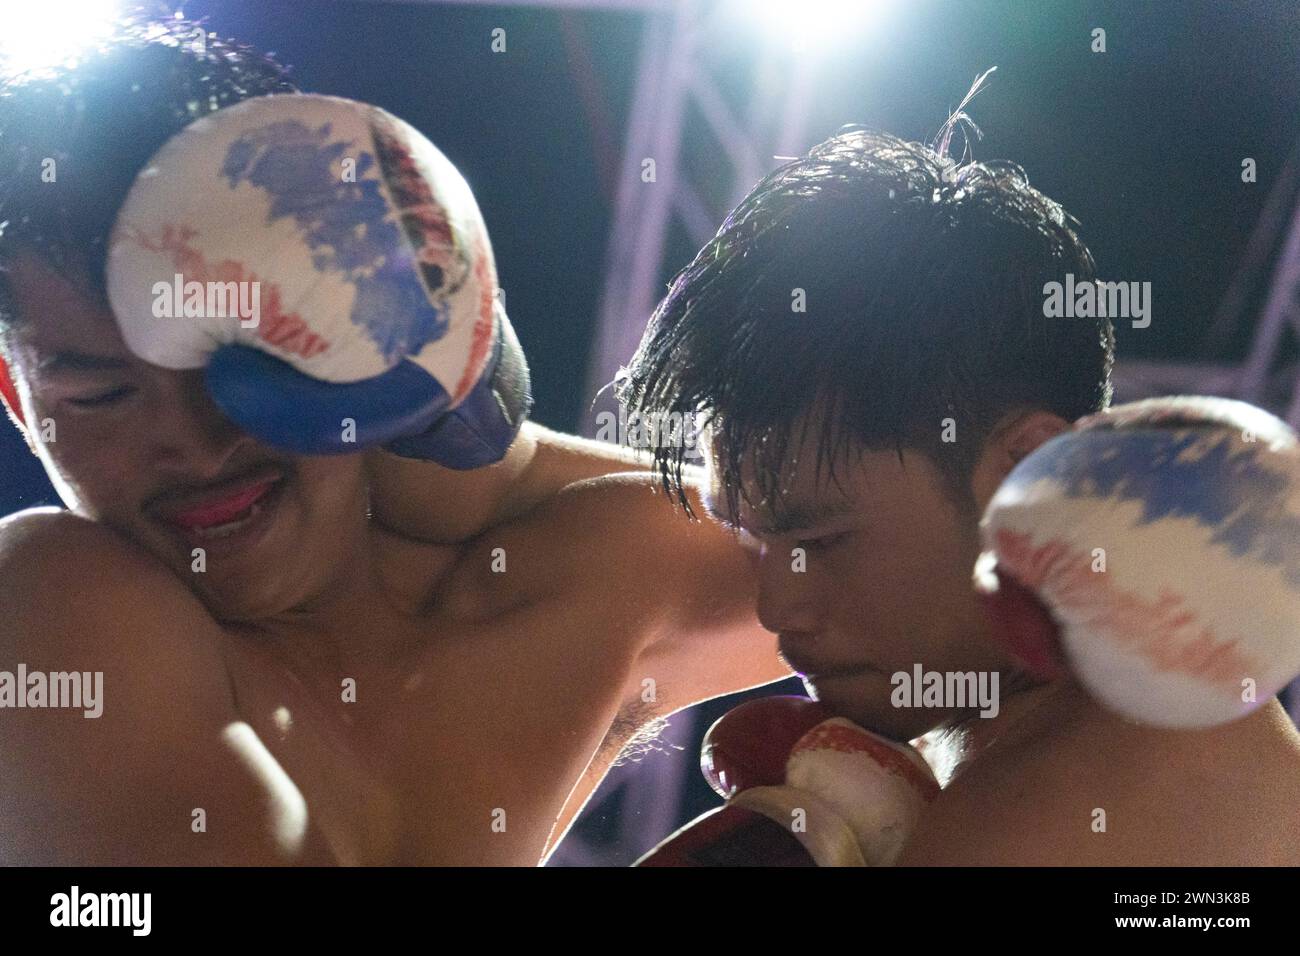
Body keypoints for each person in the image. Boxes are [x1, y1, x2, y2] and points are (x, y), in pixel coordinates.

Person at [0, 18, 789, 866]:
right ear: (16, 396)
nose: (195, 448)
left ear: (353, 319)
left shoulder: (596, 569)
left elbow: (926, 577)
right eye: (102, 395)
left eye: (252, 357)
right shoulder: (55, 608)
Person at [616, 123, 1300, 863]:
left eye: (823, 541)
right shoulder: (1137, 724)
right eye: (754, 542)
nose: (776, 609)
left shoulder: (1039, 822)